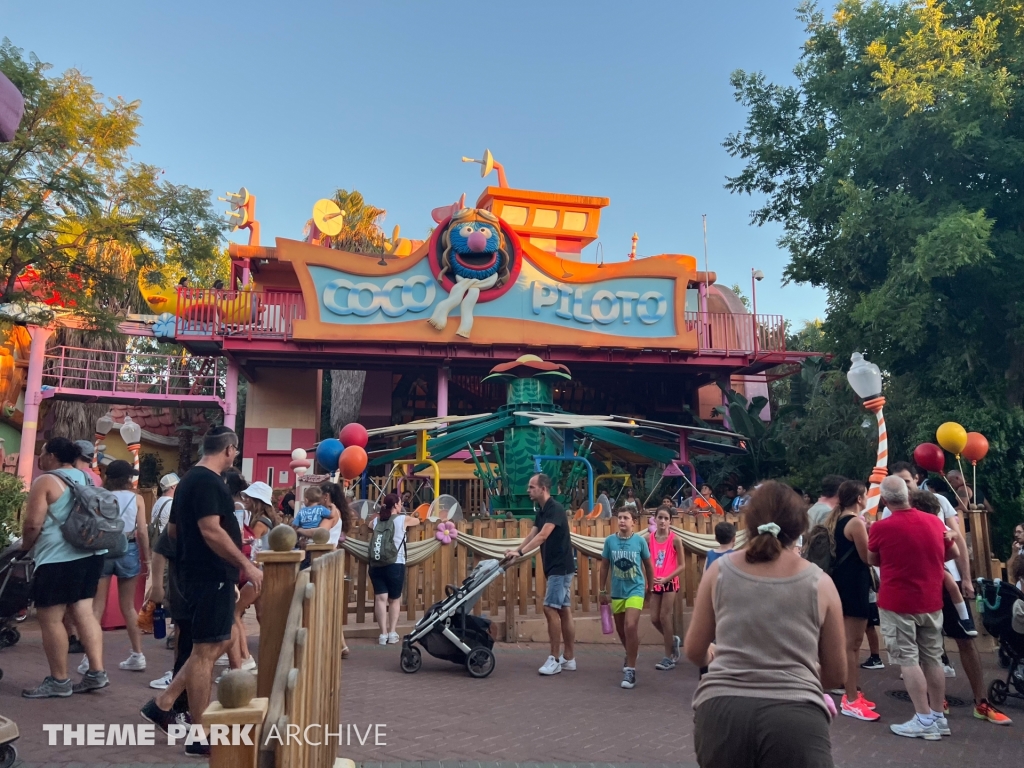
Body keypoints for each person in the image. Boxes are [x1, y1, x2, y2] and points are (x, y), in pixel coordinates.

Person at [685, 481, 845, 767]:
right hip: (796, 719)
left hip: (723, 712)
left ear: (748, 522)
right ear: (799, 527)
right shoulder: (821, 583)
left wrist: (712, 654)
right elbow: (835, 674)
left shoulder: (719, 571)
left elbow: (694, 650)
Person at [141, 427, 263, 758]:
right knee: (206, 652)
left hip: (199, 576)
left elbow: (175, 532)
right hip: (212, 577)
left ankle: (164, 702)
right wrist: (246, 566)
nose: (235, 455)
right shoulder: (210, 483)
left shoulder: (185, 484)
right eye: (235, 451)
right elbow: (211, 530)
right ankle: (200, 733)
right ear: (229, 450)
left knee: (219, 641)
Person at [891, 464, 1008, 724]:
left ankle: (981, 701)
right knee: (926, 643)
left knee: (965, 639)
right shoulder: (894, 509)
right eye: (899, 482)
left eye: (907, 480)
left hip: (947, 576)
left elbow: (957, 539)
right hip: (917, 582)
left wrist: (966, 577)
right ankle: (936, 701)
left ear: (916, 479)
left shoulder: (938, 500)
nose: (905, 486)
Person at [868, 475, 957, 739]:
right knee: (932, 657)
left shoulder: (882, 528)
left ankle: (924, 718)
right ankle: (939, 717)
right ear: (908, 496)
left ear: (885, 500)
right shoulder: (933, 521)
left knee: (908, 659)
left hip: (897, 601)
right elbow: (952, 553)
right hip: (930, 599)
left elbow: (873, 559)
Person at [21, 438, 109, 697]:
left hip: (58, 558)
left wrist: (25, 547)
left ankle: (59, 680)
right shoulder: (88, 479)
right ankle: (96, 672)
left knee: (50, 617)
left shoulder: (46, 481)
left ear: (52, 456)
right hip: (92, 553)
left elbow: (33, 524)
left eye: (43, 452)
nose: (40, 456)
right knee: (83, 610)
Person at [77, 460, 149, 675]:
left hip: (103, 549)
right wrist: (147, 559)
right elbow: (142, 531)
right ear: (126, 478)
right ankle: (138, 655)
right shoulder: (137, 499)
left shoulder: (100, 496)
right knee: (129, 607)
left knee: (96, 608)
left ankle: (89, 659)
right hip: (130, 548)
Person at [504, 473, 576, 675]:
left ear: (543, 488)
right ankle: (569, 659)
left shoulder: (555, 509)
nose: (528, 490)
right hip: (555, 567)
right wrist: (516, 551)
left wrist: (520, 553)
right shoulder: (542, 510)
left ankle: (553, 659)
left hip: (560, 567)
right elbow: (533, 533)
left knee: (549, 609)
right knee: (563, 609)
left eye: (531, 487)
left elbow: (543, 536)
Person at [820, 480, 877, 721]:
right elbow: (868, 557)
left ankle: (852, 692)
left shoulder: (836, 520)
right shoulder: (854, 522)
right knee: (852, 644)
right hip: (854, 584)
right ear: (859, 498)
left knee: (850, 642)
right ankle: (851, 697)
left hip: (842, 583)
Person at [600, 507, 653, 688]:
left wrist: (650, 586)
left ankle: (630, 670)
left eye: (626, 518)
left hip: (636, 589)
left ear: (633, 522)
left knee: (631, 626)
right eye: (620, 517)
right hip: (617, 591)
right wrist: (601, 591)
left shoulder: (640, 541)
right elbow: (604, 566)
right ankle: (630, 652)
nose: (622, 520)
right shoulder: (610, 541)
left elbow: (648, 564)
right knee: (621, 630)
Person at [368, 493, 419, 645]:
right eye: (400, 503)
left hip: (376, 564)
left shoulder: (377, 520)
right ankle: (392, 632)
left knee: (380, 599)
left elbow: (370, 525)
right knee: (394, 600)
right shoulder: (403, 519)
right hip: (396, 563)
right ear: (396, 505)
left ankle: (382, 634)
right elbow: (417, 520)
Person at [139, 472, 179, 633]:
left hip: (157, 546)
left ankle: (148, 618)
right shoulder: (171, 504)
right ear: (174, 487)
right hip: (167, 548)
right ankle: (146, 618)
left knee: (160, 583)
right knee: (162, 584)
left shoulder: (158, 502)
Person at [647, 505, 684, 671]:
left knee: (664, 616)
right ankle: (672, 640)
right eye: (660, 517)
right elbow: (646, 561)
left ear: (670, 521)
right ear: (655, 519)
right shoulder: (649, 539)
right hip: (655, 582)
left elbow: (682, 565)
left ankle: (668, 657)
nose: (662, 521)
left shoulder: (675, 539)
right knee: (654, 618)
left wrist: (666, 578)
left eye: (666, 518)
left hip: (669, 582)